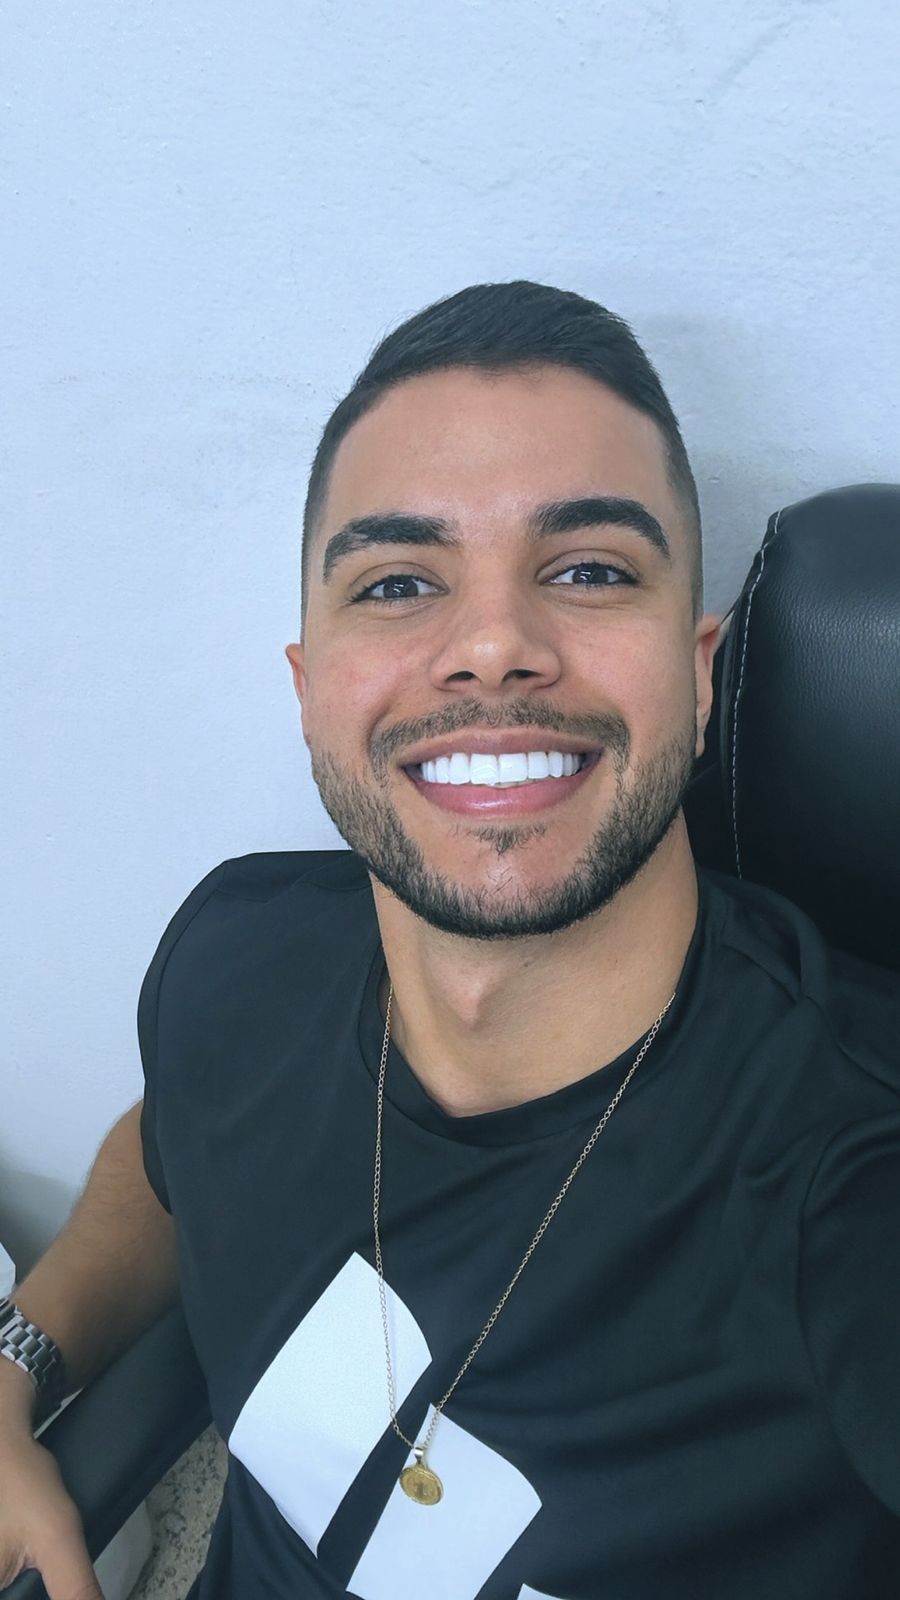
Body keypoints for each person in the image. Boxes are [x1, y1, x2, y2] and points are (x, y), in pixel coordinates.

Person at [1, 281, 898, 1599]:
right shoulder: (238, 959)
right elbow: (172, 1151)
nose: (490, 646)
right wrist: (19, 1355)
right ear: (311, 691)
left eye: (589, 570)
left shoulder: (851, 1176)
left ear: (702, 672)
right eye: (400, 581)